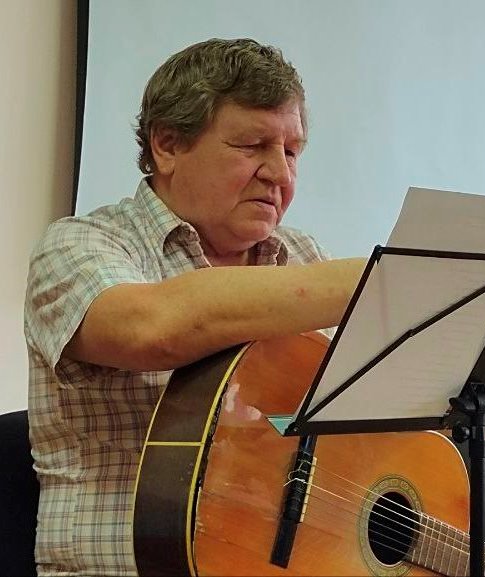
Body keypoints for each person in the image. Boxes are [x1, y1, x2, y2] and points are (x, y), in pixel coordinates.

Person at [25, 38, 365, 576]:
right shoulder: (78, 245)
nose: (279, 174)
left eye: (292, 151)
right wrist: (385, 283)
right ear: (167, 145)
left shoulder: (302, 255)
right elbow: (153, 328)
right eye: (252, 145)